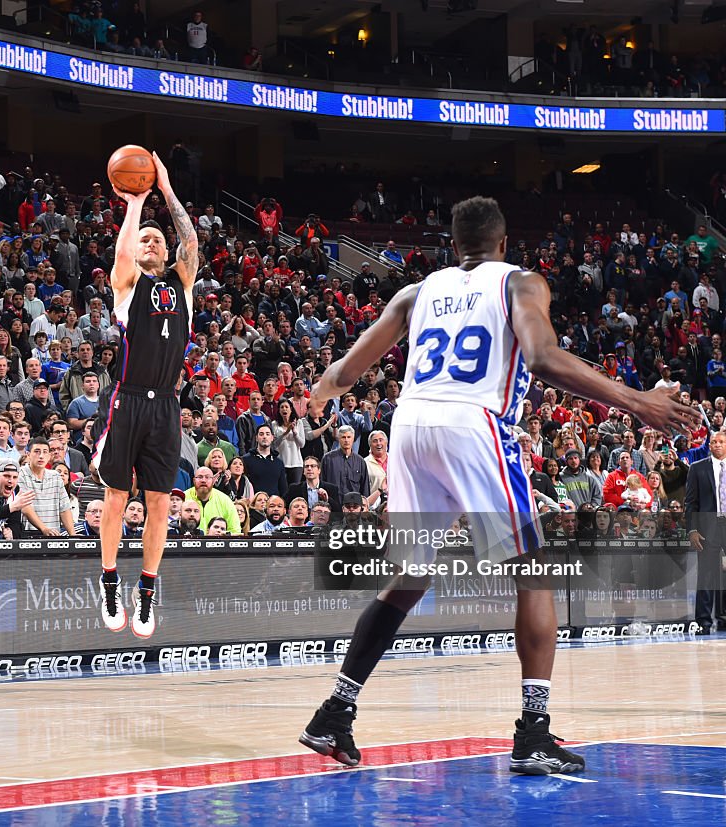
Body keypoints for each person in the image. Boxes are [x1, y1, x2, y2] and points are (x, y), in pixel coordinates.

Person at [298, 196, 698, 774]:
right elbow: (540, 358)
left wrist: (317, 396)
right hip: (471, 423)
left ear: (454, 245)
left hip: (409, 425)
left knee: (408, 579)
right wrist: (636, 401)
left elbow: (344, 374)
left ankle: (335, 711)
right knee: (535, 573)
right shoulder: (520, 283)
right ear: (504, 244)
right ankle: (533, 732)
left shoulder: (416, 293)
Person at [93, 152, 197, 638]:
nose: (152, 242)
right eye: (144, 240)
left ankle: (148, 590)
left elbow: (190, 242)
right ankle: (110, 580)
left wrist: (167, 189)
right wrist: (135, 204)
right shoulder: (127, 286)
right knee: (117, 495)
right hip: (128, 398)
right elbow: (121, 257)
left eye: (157, 238)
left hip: (167, 406)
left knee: (160, 503)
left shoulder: (182, 284)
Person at [683, 430, 726, 634]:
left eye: (721, 442)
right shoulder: (697, 468)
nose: (717, 444)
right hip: (708, 526)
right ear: (709, 445)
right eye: (714, 442)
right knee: (707, 576)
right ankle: (703, 622)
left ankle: (724, 618)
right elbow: (690, 502)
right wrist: (691, 529)